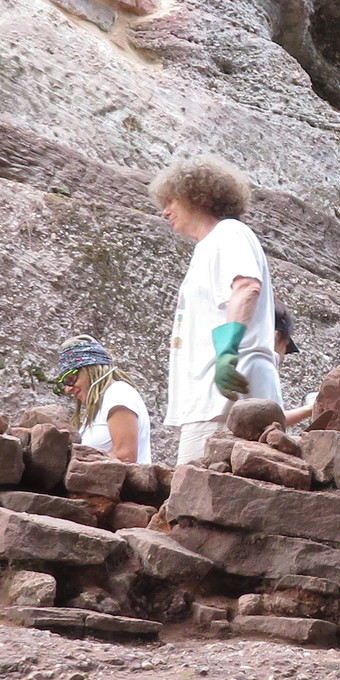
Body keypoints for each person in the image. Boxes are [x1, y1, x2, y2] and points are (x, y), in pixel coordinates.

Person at [152, 156, 278, 464]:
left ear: (198, 196)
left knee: (195, 488)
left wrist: (227, 352)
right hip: (212, 395)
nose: (165, 211)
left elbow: (246, 287)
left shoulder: (228, 233)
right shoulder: (208, 246)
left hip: (224, 393)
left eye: (171, 201)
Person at [52, 336, 150, 464]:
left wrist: (77, 463)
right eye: (64, 383)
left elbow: (125, 457)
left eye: (70, 379)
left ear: (90, 370)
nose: (68, 389)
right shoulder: (103, 403)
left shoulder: (118, 394)